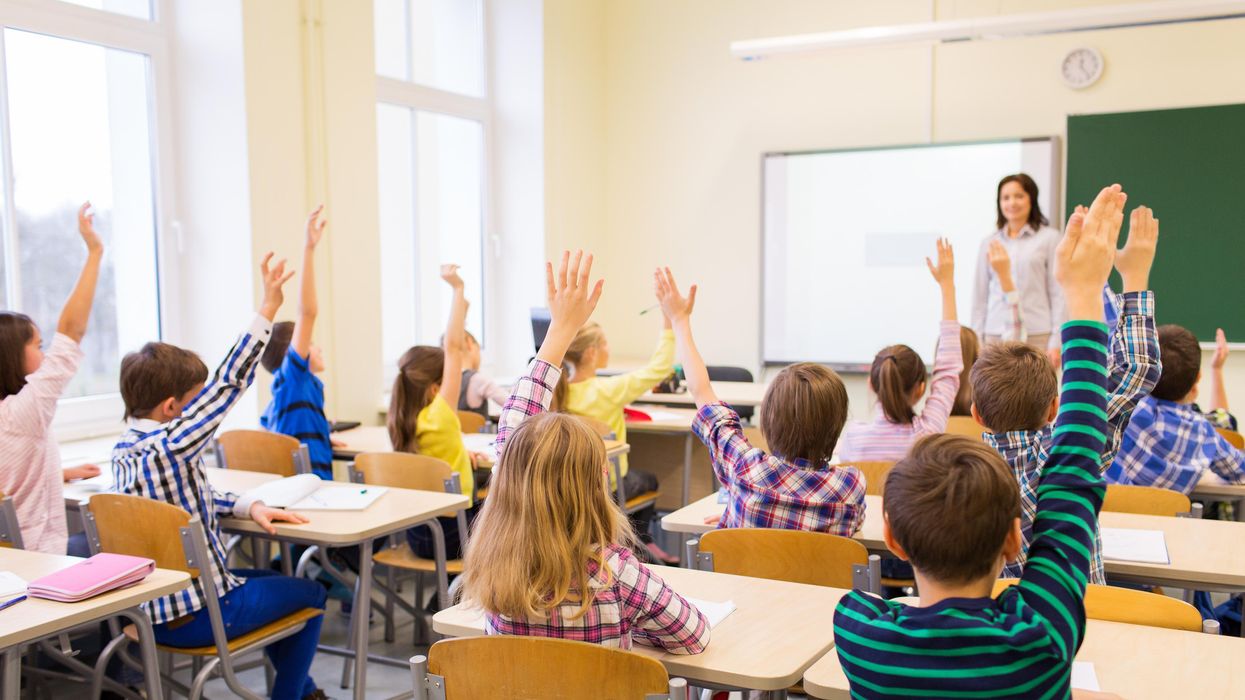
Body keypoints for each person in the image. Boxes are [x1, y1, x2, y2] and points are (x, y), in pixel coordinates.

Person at [833, 183, 1122, 699]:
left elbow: (1073, 473)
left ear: (892, 538)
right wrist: (1083, 294)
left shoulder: (859, 636)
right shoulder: (1044, 638)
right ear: (1015, 540)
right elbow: (1073, 470)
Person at [462, 250, 709, 653]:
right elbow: (693, 636)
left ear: (512, 478)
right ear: (596, 485)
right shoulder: (617, 576)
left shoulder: (494, 572)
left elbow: (513, 432)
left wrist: (559, 330)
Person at [112, 254, 327, 700]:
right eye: (194, 400)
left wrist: (248, 504)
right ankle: (292, 695)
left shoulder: (124, 453)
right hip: (201, 612)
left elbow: (192, 494)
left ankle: (300, 690)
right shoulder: (171, 444)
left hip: (145, 615)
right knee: (310, 592)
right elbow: (229, 382)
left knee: (274, 586)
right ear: (172, 408)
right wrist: (267, 306)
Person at [973, 202, 1161, 583]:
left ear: (975, 413)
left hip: (995, 636)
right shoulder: (1070, 454)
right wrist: (1129, 277)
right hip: (1078, 633)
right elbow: (1135, 368)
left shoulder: (958, 478)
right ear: (1055, 408)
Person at [655, 266, 864, 534]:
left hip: (738, 577)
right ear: (837, 424)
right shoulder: (850, 487)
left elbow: (700, 390)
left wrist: (679, 320)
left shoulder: (746, 470)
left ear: (768, 420)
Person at [0, 203, 102, 554]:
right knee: (120, 543)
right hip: (40, 558)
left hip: (11, 562)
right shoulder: (23, 411)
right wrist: (94, 252)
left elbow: (9, 482)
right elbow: (71, 331)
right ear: (12, 355)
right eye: (37, 345)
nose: (44, 355)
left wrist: (60, 473)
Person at [552, 291, 678, 563]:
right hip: (607, 486)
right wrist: (668, 321)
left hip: (569, 485)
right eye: (605, 343)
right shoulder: (609, 389)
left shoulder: (557, 393)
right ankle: (643, 541)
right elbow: (659, 369)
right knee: (648, 478)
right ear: (591, 352)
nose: (610, 349)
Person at [838, 239, 962, 462]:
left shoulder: (853, 438)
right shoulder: (927, 436)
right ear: (920, 389)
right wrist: (947, 286)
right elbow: (948, 369)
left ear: (871, 385)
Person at [388, 265, 479, 559]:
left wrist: (462, 456)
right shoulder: (440, 416)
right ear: (435, 389)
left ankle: (444, 592)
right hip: (455, 536)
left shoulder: (401, 421)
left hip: (417, 535)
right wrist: (457, 289)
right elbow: (453, 349)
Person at [1107, 324, 1245, 493]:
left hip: (1106, 513)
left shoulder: (1124, 407)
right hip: (1164, 517)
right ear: (1198, 379)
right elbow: (1241, 472)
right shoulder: (1204, 433)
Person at [259, 206, 336, 480]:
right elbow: (308, 312)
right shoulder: (295, 380)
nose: (318, 348)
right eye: (311, 343)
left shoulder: (283, 394)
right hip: (314, 492)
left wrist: (323, 435)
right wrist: (309, 248)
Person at [972, 173, 1064, 363]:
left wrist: (1056, 340)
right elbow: (979, 296)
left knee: (1037, 392)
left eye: (1019, 196)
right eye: (1005, 198)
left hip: (1037, 333)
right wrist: (977, 338)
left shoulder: (1050, 238)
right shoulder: (989, 242)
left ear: (1031, 199)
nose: (1012, 203)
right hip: (995, 334)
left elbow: (1058, 293)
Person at [457, 331, 508, 420]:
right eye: (478, 351)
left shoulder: (444, 382)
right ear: (469, 343)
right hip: (477, 433)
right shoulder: (477, 379)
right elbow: (514, 404)